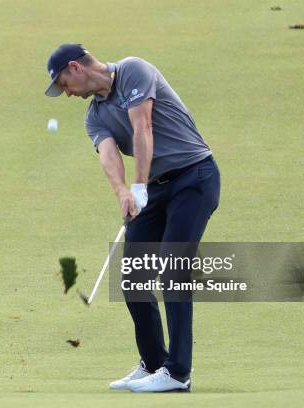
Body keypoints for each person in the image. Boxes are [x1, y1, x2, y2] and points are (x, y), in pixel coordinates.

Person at [45, 44, 220, 392]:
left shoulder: (133, 70)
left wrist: (139, 186)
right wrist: (123, 192)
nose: (66, 92)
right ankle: (154, 362)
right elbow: (108, 155)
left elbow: (143, 127)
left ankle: (178, 372)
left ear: (76, 67)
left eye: (63, 83)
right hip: (153, 189)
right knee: (133, 276)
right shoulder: (93, 115)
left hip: (194, 178)